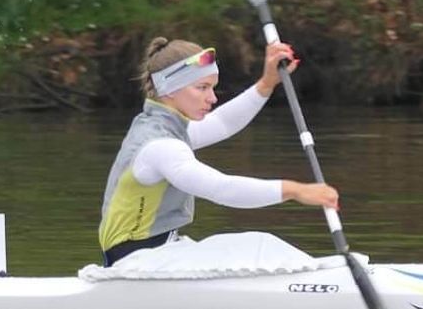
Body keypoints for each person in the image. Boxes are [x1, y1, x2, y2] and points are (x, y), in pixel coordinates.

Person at [98, 37, 339, 266]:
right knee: (258, 247)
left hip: (157, 253)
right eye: (202, 88)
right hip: (136, 263)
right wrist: (296, 190)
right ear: (170, 89)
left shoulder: (162, 128)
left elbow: (223, 123)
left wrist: (267, 83)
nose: (212, 98)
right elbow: (222, 189)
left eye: (212, 88)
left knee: (257, 246)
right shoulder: (160, 146)